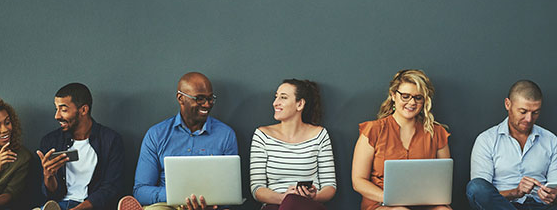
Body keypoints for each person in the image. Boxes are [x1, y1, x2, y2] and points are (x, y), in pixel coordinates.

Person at [120, 72, 238, 210]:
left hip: (210, 206)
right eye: (200, 99)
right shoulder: (156, 135)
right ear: (181, 98)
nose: (207, 104)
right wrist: (178, 196)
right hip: (168, 205)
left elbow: (231, 192)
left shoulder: (226, 135)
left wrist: (209, 201)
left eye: (210, 98)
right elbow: (140, 191)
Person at [351, 69, 451, 210]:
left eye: (418, 97)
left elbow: (443, 181)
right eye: (405, 96)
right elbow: (358, 181)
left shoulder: (437, 132)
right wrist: (390, 198)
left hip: (424, 203)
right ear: (393, 95)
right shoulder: (374, 130)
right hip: (381, 203)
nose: (411, 102)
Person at [466, 80, 557, 210]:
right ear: (508, 104)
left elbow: (555, 186)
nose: (529, 119)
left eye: (535, 112)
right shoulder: (487, 140)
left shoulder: (551, 140)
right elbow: (481, 193)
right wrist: (516, 192)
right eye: (523, 111)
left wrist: (553, 194)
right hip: (502, 205)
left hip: (541, 206)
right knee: (475, 187)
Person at [249, 78, 337, 210]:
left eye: (283, 98)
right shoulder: (262, 135)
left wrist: (314, 196)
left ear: (300, 104)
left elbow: (330, 186)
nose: (275, 103)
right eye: (276, 97)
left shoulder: (320, 135)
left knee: (293, 202)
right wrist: (284, 197)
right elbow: (257, 189)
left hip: (309, 205)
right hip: (275, 205)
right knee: (289, 202)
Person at [36, 83, 124, 210]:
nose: (57, 116)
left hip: (91, 207)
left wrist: (79, 208)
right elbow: (52, 194)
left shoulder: (110, 140)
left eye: (64, 110)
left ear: (83, 110)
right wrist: (48, 176)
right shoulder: (51, 141)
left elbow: (111, 188)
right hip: (58, 205)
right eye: (57, 109)